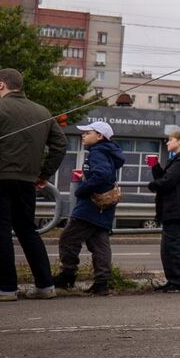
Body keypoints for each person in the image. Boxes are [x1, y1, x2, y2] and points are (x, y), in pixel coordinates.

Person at [0, 69, 67, 302]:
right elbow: (60, 144)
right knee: (27, 230)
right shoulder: (42, 111)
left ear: (1, 85)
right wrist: (44, 174)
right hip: (27, 181)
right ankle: (45, 285)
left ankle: (6, 288)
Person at [54, 120, 122, 296]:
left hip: (90, 207)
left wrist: (81, 190)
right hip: (103, 207)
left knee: (68, 239)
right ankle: (101, 283)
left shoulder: (97, 152)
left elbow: (102, 174)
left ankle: (67, 276)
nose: (83, 135)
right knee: (99, 244)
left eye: (87, 133)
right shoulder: (107, 151)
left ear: (99, 136)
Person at [148, 127, 180, 292]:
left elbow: (167, 181)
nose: (167, 143)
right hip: (174, 210)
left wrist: (152, 185)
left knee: (174, 249)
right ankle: (174, 281)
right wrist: (155, 166)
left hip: (178, 211)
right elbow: (166, 178)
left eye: (170, 140)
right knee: (168, 249)